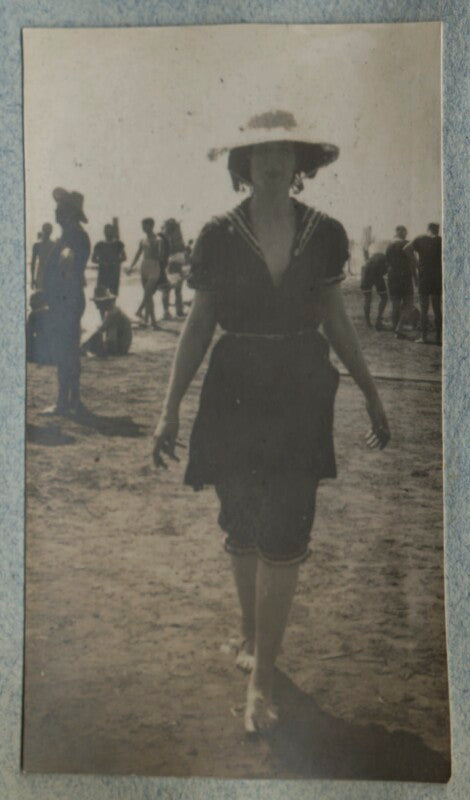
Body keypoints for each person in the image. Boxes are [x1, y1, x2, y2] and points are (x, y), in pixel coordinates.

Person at [152, 110, 390, 735]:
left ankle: (261, 680)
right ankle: (251, 633)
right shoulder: (217, 234)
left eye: (285, 151)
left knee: (285, 525)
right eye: (260, 152)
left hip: (300, 390)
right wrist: (169, 407)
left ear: (300, 162)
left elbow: (336, 319)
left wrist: (370, 391)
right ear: (244, 163)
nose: (273, 162)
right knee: (242, 519)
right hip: (234, 390)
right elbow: (198, 326)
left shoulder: (326, 233)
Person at [42, 187, 90, 415]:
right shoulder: (72, 235)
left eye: (60, 208)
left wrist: (53, 293)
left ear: (70, 213)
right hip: (68, 299)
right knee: (70, 350)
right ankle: (73, 401)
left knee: (65, 351)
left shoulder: (74, 237)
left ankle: (64, 402)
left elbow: (67, 267)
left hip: (66, 301)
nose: (56, 212)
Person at [404, 223, 442, 344]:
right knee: (437, 309)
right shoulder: (441, 240)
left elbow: (406, 249)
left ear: (428, 229)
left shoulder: (420, 238)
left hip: (424, 276)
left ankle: (424, 337)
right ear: (437, 230)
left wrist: (417, 265)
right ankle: (438, 338)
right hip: (437, 277)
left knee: (424, 309)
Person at [127, 218, 166, 329]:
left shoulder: (159, 240)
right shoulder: (142, 240)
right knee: (148, 296)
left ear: (151, 225)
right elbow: (137, 254)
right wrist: (131, 267)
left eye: (145, 225)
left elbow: (162, 256)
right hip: (144, 267)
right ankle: (152, 323)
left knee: (148, 293)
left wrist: (156, 251)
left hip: (154, 266)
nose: (143, 228)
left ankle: (145, 317)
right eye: (142, 226)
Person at [80, 286, 132, 357]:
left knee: (97, 336)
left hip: (120, 348)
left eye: (97, 303)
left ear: (103, 302)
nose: (97, 307)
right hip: (122, 346)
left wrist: (86, 345)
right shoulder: (114, 311)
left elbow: (109, 336)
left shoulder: (113, 313)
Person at [385, 226, 414, 339]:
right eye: (405, 231)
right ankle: (399, 328)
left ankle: (394, 327)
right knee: (409, 303)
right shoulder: (407, 244)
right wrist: (416, 276)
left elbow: (387, 262)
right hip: (405, 276)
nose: (406, 233)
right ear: (402, 232)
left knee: (395, 304)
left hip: (392, 276)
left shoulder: (389, 245)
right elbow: (412, 261)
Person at [91, 224, 126, 301]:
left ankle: (112, 308)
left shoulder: (118, 244)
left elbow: (124, 257)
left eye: (110, 230)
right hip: (103, 272)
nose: (108, 232)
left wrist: (116, 261)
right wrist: (102, 262)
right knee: (101, 295)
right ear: (104, 232)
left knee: (113, 294)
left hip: (114, 272)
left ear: (113, 232)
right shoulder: (99, 244)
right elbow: (93, 259)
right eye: (106, 230)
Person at [161, 218, 186, 319]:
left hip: (174, 263)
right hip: (174, 263)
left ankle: (171, 311)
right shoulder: (171, 237)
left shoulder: (167, 237)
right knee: (174, 289)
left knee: (171, 289)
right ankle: (174, 311)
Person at [360, 248, 389, 330]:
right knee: (384, 298)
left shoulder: (374, 257)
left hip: (367, 272)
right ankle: (378, 321)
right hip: (375, 273)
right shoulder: (386, 258)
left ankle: (368, 323)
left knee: (367, 299)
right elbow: (385, 271)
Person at [26, 290, 55, 365]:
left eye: (31, 301)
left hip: (40, 351)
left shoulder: (33, 315)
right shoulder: (52, 313)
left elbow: (28, 334)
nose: (29, 304)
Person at [31, 222, 55, 290]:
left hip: (50, 275)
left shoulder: (54, 245)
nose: (47, 233)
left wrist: (32, 279)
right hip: (42, 274)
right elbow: (33, 263)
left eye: (48, 231)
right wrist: (32, 279)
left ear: (50, 232)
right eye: (46, 230)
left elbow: (56, 263)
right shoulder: (37, 246)